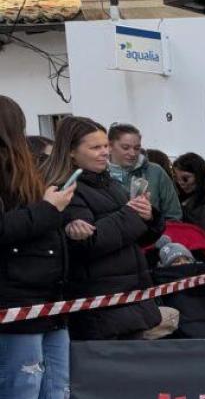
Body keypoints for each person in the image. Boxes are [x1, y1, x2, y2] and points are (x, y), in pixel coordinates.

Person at [0, 96, 77, 399]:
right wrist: (48, 209)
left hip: (48, 300)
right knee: (21, 397)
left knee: (52, 395)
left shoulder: (25, 171)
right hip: (17, 301)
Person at [43, 118, 176, 341]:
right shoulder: (65, 190)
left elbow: (134, 238)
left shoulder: (109, 184)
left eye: (105, 145)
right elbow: (88, 241)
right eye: (95, 147)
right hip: (101, 306)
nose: (104, 152)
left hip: (127, 300)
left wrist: (149, 217)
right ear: (71, 152)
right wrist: (132, 215)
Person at [106, 123, 182, 222]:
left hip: (155, 231)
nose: (132, 153)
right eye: (125, 147)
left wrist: (153, 220)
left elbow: (173, 215)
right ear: (110, 146)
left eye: (137, 148)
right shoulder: (98, 174)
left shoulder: (155, 172)